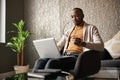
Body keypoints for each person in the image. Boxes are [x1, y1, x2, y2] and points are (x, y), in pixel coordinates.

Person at [32, 7, 104, 76]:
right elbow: (59, 46)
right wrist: (48, 51)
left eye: (77, 16)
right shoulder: (68, 31)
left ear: (83, 16)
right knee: (40, 61)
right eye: (72, 17)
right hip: (65, 56)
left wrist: (83, 43)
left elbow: (100, 46)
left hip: (78, 57)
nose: (74, 19)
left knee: (52, 63)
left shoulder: (91, 28)